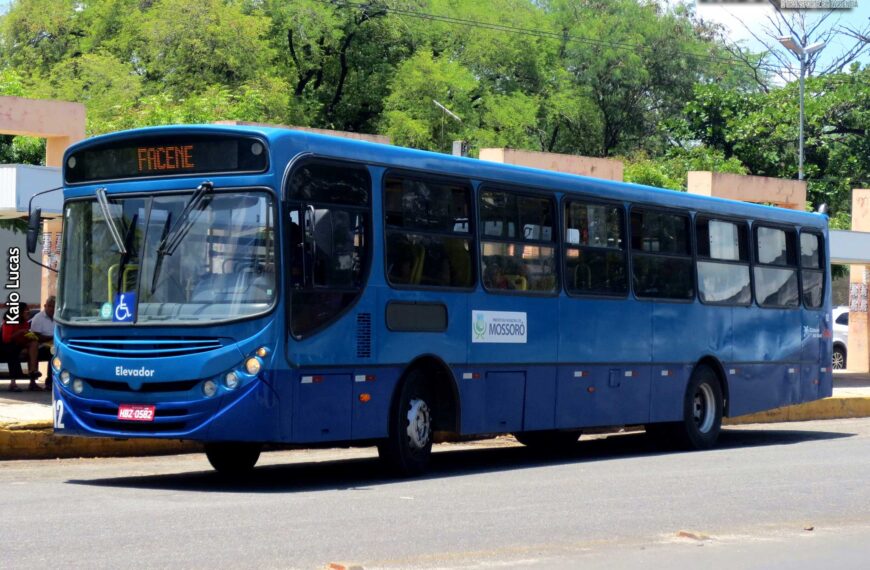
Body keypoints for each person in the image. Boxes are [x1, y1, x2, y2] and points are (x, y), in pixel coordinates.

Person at [1, 303, 42, 391]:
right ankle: (13, 383)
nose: (28, 312)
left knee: (34, 345)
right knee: (12, 352)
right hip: (6, 346)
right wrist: (20, 332)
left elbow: (24, 338)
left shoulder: (25, 322)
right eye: (26, 310)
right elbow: (6, 339)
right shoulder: (9, 321)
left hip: (18, 344)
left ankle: (33, 372)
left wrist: (29, 337)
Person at [29, 296, 55, 389]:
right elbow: (35, 337)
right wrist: (51, 338)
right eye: (50, 306)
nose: (52, 309)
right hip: (41, 346)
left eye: (54, 306)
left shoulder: (58, 318)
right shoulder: (39, 318)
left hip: (56, 344)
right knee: (52, 353)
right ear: (45, 306)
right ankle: (49, 383)